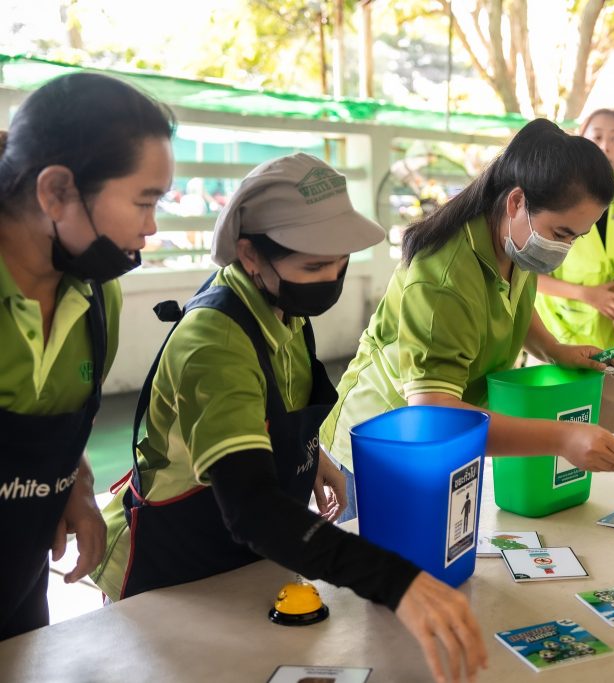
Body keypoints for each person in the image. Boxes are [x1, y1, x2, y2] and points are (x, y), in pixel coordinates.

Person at [91, 154, 487, 683]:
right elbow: (252, 508)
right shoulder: (213, 342)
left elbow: (270, 404)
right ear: (251, 254)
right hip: (173, 569)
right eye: (314, 267)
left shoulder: (281, 306)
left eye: (340, 263)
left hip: (249, 564)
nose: (332, 278)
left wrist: (309, 454)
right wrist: (396, 582)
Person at [319, 119, 614, 483]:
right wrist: (562, 437)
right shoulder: (443, 278)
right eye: (561, 233)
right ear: (517, 202)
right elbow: (433, 416)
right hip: (380, 444)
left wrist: (553, 349)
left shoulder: (512, 242)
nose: (563, 249)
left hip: (442, 445)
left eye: (576, 238)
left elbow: (508, 299)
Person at [0, 73, 175, 640]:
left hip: (20, 590)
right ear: (56, 192)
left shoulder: (98, 295)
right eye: (144, 202)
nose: (151, 227)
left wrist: (73, 488)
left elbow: (61, 416)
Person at [533, 109, 614, 436]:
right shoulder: (555, 194)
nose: (606, 145)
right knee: (557, 434)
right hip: (557, 336)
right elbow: (528, 274)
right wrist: (587, 295)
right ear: (580, 141)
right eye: (597, 136)